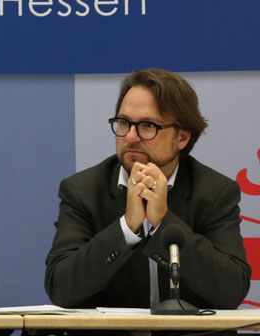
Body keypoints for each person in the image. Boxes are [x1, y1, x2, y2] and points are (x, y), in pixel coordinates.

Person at [45, 69, 250, 309]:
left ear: (182, 138)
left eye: (147, 125)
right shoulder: (83, 191)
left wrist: (163, 221)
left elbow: (231, 290)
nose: (130, 136)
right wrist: (126, 229)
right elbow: (60, 288)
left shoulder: (215, 193)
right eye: (123, 123)